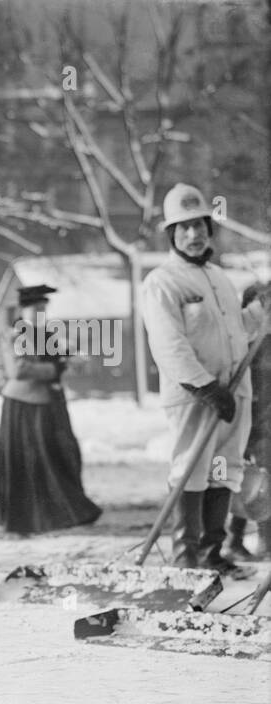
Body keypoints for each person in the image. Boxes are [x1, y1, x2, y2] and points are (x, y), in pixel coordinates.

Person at [141, 184, 267, 571]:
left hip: (233, 394)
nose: (193, 235)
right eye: (184, 228)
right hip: (196, 397)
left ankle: (213, 553)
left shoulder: (219, 278)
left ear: (209, 230)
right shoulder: (162, 283)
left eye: (199, 226)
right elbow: (169, 344)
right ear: (172, 235)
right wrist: (205, 385)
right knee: (191, 472)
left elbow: (238, 333)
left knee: (223, 471)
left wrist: (260, 310)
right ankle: (187, 557)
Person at [0, 284, 102, 534]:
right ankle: (26, 519)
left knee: (63, 456)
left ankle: (62, 513)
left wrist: (73, 359)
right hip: (24, 406)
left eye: (43, 309)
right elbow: (17, 371)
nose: (40, 314)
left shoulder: (48, 335)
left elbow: (62, 357)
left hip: (51, 404)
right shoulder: (15, 335)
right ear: (23, 310)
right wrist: (57, 368)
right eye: (35, 309)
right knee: (26, 462)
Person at [224, 283, 271, 560]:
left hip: (263, 423)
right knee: (232, 478)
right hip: (243, 423)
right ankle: (234, 539)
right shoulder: (245, 343)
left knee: (261, 479)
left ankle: (255, 539)